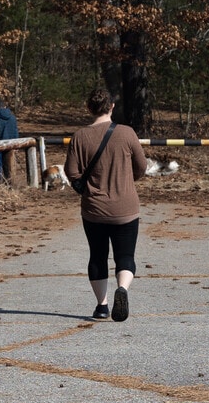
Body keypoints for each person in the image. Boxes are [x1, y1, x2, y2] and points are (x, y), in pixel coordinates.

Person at [64, 89, 147, 322]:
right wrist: (127, 180)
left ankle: (101, 306)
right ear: (111, 107)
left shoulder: (79, 137)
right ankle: (123, 288)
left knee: (97, 256)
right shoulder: (127, 133)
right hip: (126, 207)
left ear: (89, 108)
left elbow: (71, 172)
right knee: (125, 256)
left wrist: (84, 184)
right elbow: (141, 166)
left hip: (94, 210)